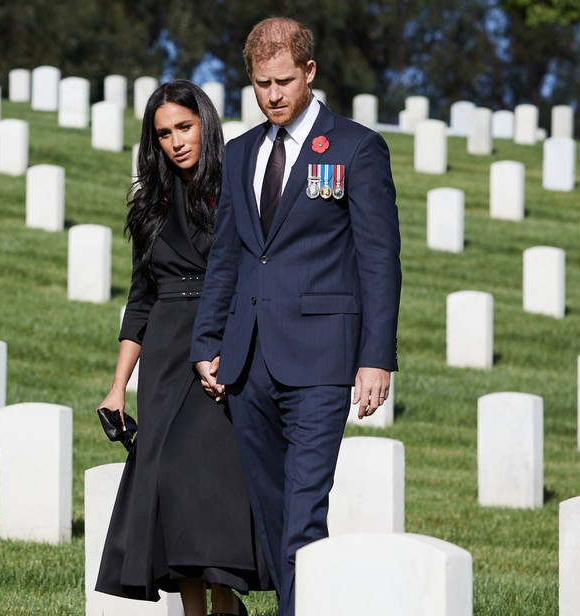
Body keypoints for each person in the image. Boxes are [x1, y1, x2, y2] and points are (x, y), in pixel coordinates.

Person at [191, 18, 401, 616]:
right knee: (273, 512)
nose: (273, 94)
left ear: (309, 72)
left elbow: (379, 259)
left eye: (284, 81)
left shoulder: (357, 148)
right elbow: (228, 256)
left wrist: (375, 357)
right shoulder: (239, 153)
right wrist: (208, 341)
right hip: (248, 362)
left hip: (321, 363)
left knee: (304, 515)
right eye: (261, 84)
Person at [95, 80, 268, 616]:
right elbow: (139, 301)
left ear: (206, 124)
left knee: (207, 483)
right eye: (164, 133)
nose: (176, 141)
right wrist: (117, 388)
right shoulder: (149, 204)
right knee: (167, 483)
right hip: (167, 354)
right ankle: (199, 611)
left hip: (218, 344)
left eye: (184, 127)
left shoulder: (236, 186)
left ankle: (224, 603)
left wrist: (230, 346)